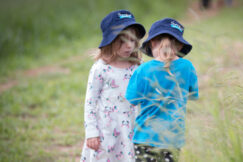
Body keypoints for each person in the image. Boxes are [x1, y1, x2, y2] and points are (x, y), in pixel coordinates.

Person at [125, 18, 199, 162]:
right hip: (172, 138)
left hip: (145, 138)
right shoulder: (187, 67)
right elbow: (193, 95)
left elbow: (131, 100)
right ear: (180, 44)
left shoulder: (142, 70)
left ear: (152, 42)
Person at [80, 10, 145, 162]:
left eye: (132, 40)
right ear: (110, 41)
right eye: (122, 41)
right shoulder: (101, 68)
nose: (129, 46)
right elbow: (90, 102)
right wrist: (91, 132)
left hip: (131, 128)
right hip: (106, 131)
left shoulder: (138, 67)